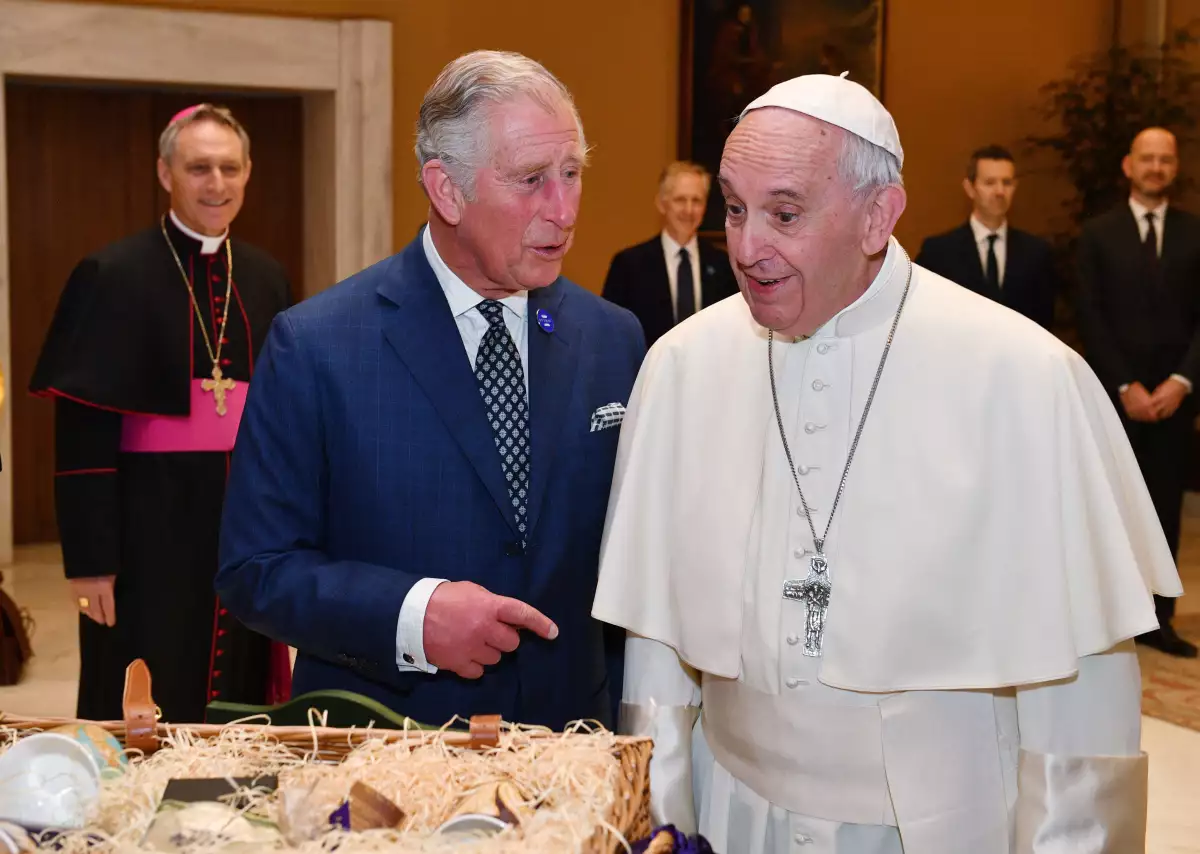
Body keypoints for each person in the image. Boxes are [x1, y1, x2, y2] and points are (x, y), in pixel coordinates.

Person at [593, 74, 1180, 852]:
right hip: (733, 813)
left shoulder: (1024, 377)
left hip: (942, 829)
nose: (745, 246)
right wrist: (662, 826)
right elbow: (658, 648)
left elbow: (1080, 705)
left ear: (879, 215)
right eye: (734, 208)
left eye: (784, 214)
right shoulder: (683, 366)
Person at [216, 51, 645, 731]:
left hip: (572, 743)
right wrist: (413, 617)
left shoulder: (613, 337)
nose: (564, 211)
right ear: (447, 190)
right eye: (532, 180)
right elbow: (257, 569)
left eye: (572, 174)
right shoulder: (317, 344)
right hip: (391, 747)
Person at [30, 104, 293, 722]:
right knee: (144, 683)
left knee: (238, 689)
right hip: (146, 527)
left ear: (248, 172)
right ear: (164, 172)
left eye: (229, 167)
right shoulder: (110, 275)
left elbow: (283, 420)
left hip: (243, 519)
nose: (216, 183)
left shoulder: (265, 276)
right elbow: (83, 431)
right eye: (198, 168)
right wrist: (90, 563)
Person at [1077, 126, 1200, 659]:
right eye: (1146, 158)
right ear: (1128, 166)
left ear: (1175, 167)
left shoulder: (1196, 232)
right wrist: (1125, 384)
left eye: (1164, 159)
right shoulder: (1097, 234)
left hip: (1177, 399)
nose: (1156, 167)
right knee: (1112, 507)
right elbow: (1089, 315)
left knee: (1166, 507)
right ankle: (1111, 618)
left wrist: (1181, 381)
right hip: (1115, 398)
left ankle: (1159, 619)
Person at [915, 145, 1057, 329]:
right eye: (990, 183)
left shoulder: (1037, 253)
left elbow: (1043, 324)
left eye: (1007, 183)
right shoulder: (938, 253)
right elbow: (925, 317)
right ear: (970, 188)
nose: (1000, 192)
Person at [602, 162, 739, 347]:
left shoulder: (723, 264)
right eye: (680, 200)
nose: (688, 210)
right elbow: (611, 333)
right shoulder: (629, 265)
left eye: (696, 200)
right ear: (661, 204)